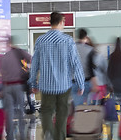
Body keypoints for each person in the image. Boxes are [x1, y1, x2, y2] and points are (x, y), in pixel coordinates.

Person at [28, 12, 84, 140]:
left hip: (46, 85)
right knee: (62, 114)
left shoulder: (41, 40)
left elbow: (34, 63)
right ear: (61, 22)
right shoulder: (68, 41)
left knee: (47, 111)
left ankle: (48, 132)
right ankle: (60, 137)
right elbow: (76, 63)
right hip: (64, 85)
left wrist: (33, 83)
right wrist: (80, 83)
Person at [0, 37, 31, 140]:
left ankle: (10, 135)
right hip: (18, 85)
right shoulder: (19, 52)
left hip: (7, 86)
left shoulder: (4, 57)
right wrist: (26, 68)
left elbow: (1, 74)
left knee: (9, 112)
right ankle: (22, 133)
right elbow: (31, 59)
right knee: (21, 110)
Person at [71, 28, 98, 106]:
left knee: (77, 107)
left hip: (73, 82)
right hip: (86, 82)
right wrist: (95, 84)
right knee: (85, 108)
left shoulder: (71, 49)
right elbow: (91, 69)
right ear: (85, 37)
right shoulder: (90, 50)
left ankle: (77, 116)